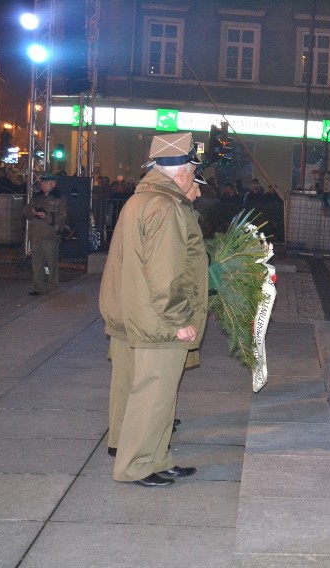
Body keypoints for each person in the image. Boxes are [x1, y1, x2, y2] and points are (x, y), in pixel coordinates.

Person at [99, 132, 208, 487]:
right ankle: (136, 466)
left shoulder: (144, 200)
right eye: (193, 169)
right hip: (159, 319)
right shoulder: (166, 206)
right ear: (180, 173)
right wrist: (180, 319)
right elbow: (165, 272)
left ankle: (157, 457)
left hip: (142, 313)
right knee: (153, 395)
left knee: (158, 397)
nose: (195, 179)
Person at [22, 173, 68, 296]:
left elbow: (62, 215)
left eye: (45, 183)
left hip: (50, 236)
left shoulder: (59, 198)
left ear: (52, 184)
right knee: (37, 264)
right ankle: (38, 287)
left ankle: (52, 287)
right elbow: (25, 211)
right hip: (36, 234)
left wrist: (46, 216)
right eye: (41, 183)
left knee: (51, 263)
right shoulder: (37, 197)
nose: (42, 185)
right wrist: (31, 211)